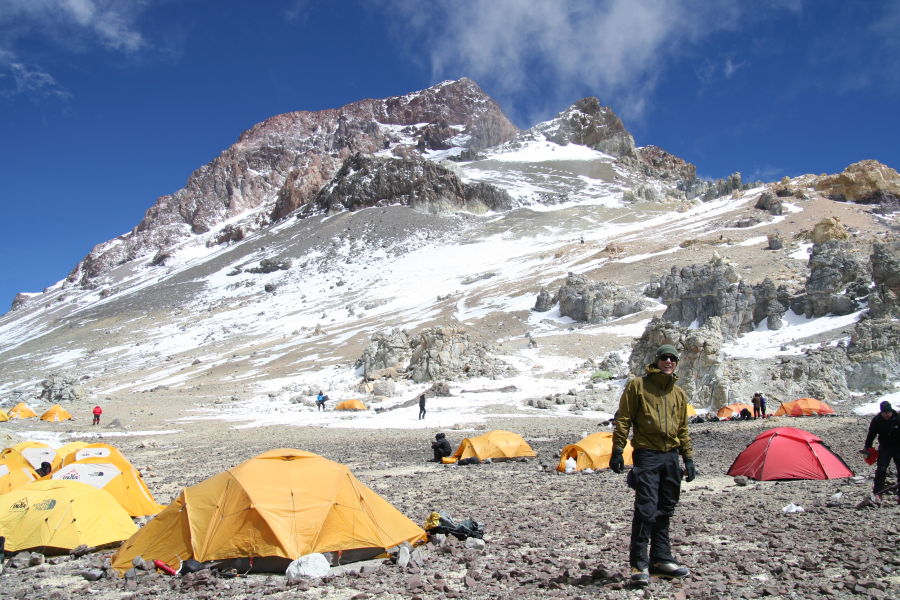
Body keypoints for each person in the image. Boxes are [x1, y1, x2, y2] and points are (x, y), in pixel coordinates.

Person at [610, 344, 694, 586]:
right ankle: (639, 565)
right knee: (646, 508)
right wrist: (618, 449)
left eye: (673, 359)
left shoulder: (678, 393)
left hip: (671, 456)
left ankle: (661, 560)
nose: (669, 361)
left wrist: (687, 458)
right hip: (647, 455)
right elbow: (624, 418)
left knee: (666, 508)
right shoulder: (638, 386)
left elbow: (683, 429)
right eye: (665, 358)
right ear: (656, 361)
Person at [863, 400, 900, 497]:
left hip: (898, 446)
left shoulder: (898, 418)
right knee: (881, 469)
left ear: (891, 411)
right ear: (881, 412)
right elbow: (871, 434)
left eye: (888, 412)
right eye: (884, 413)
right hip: (885, 447)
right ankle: (878, 492)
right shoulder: (877, 420)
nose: (887, 415)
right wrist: (867, 447)